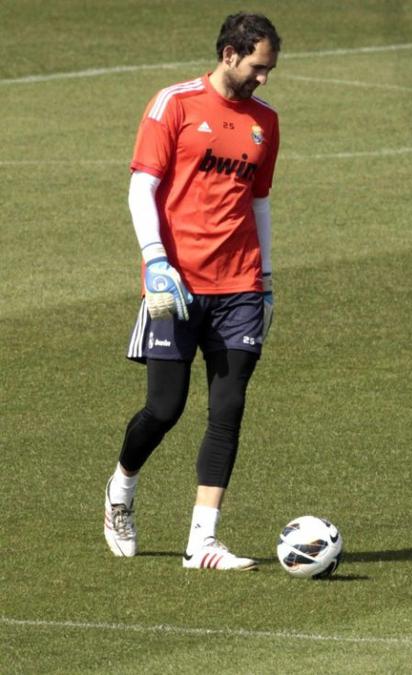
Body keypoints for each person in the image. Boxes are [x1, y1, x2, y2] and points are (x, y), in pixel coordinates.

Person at [103, 13, 281, 571]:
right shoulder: (173, 104)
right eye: (258, 67)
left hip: (240, 285)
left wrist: (267, 277)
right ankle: (120, 494)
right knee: (164, 408)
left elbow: (259, 202)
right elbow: (142, 186)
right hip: (176, 283)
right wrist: (155, 260)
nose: (264, 80)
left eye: (270, 69)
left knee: (228, 409)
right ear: (230, 55)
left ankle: (201, 541)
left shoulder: (265, 122)